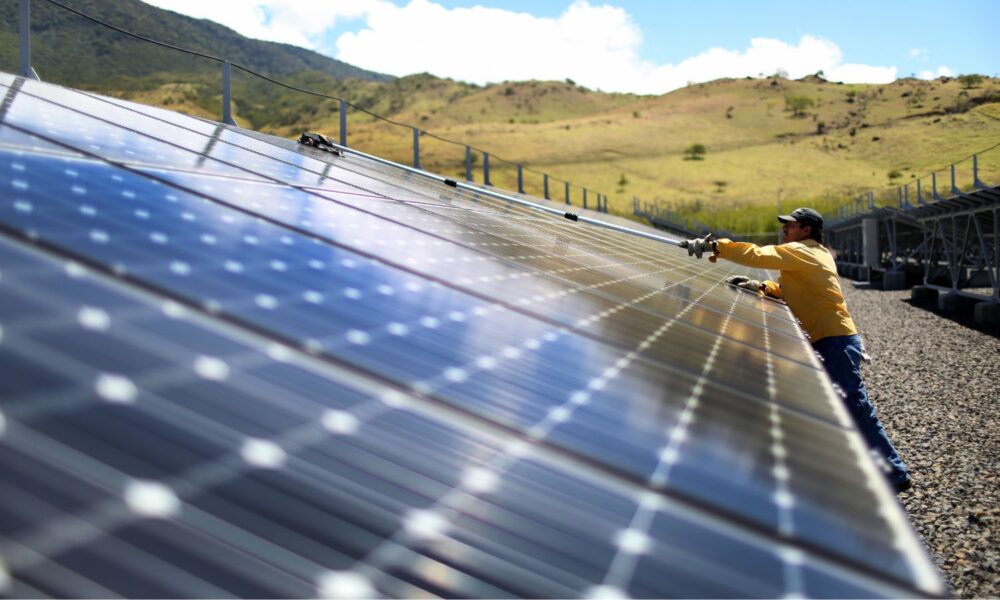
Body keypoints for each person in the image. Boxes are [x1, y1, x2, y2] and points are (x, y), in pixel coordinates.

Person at [681, 207, 912, 493]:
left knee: (855, 407)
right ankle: (862, 468)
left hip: (835, 340)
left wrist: (714, 246)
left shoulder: (805, 252)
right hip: (832, 338)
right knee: (839, 407)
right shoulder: (813, 254)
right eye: (785, 226)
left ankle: (894, 471)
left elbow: (757, 255)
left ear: (806, 230)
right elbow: (794, 290)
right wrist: (763, 287)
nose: (785, 230)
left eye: (791, 225)